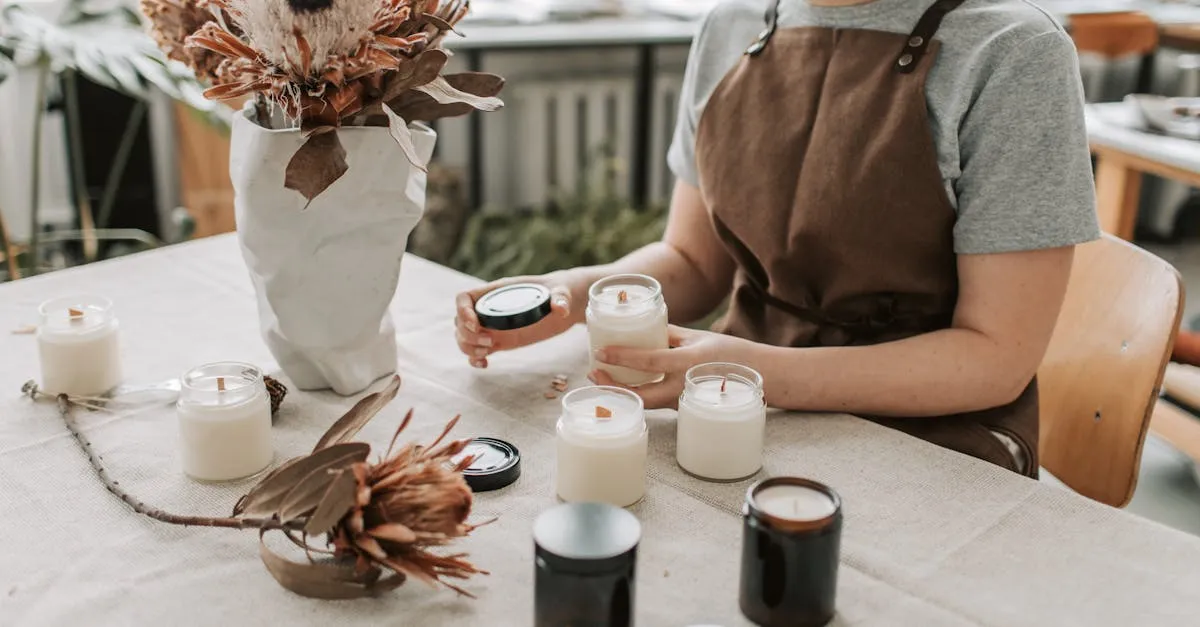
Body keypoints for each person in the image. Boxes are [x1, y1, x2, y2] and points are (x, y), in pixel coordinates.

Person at [454, 0, 1100, 477]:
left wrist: (758, 371)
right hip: (731, 397)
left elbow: (995, 358)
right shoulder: (731, 24)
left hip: (937, 430)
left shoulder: (1013, 51)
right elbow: (692, 262)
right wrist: (572, 294)